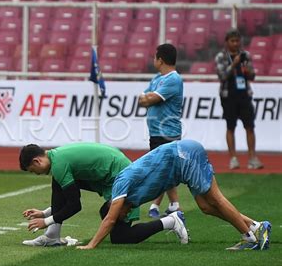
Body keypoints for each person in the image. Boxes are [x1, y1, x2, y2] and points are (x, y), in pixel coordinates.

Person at [76, 140, 271, 251]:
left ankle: (250, 238)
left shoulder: (119, 187)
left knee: (215, 199)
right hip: (182, 164)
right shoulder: (130, 198)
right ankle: (257, 227)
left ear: (113, 206)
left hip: (184, 155)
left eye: (121, 215)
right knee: (205, 206)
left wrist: (91, 245)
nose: (125, 217)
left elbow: (109, 220)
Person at [19, 143, 188, 247]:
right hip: (112, 176)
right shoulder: (57, 158)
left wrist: (46, 221)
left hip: (123, 178)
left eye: (34, 171)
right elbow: (69, 196)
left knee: (121, 237)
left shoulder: (59, 164)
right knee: (59, 183)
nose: (37, 174)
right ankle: (52, 236)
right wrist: (45, 213)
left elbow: (74, 206)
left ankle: (171, 221)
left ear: (37, 161)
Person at [138, 43, 183, 219]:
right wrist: (147, 98)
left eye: (154, 57)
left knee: (162, 168)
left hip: (168, 132)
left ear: (160, 59)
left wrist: (148, 98)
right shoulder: (157, 78)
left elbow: (149, 99)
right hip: (156, 132)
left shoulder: (173, 79)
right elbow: (143, 99)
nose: (153, 60)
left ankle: (172, 206)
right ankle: (171, 206)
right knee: (164, 168)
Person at [215, 28, 263, 170]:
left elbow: (253, 75)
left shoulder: (246, 55)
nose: (236, 44)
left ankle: (252, 158)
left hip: (244, 95)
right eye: (232, 41)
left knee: (250, 126)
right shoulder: (221, 56)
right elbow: (222, 76)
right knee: (231, 127)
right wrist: (234, 64)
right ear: (227, 42)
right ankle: (233, 158)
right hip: (228, 95)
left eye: (237, 41)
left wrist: (248, 71)